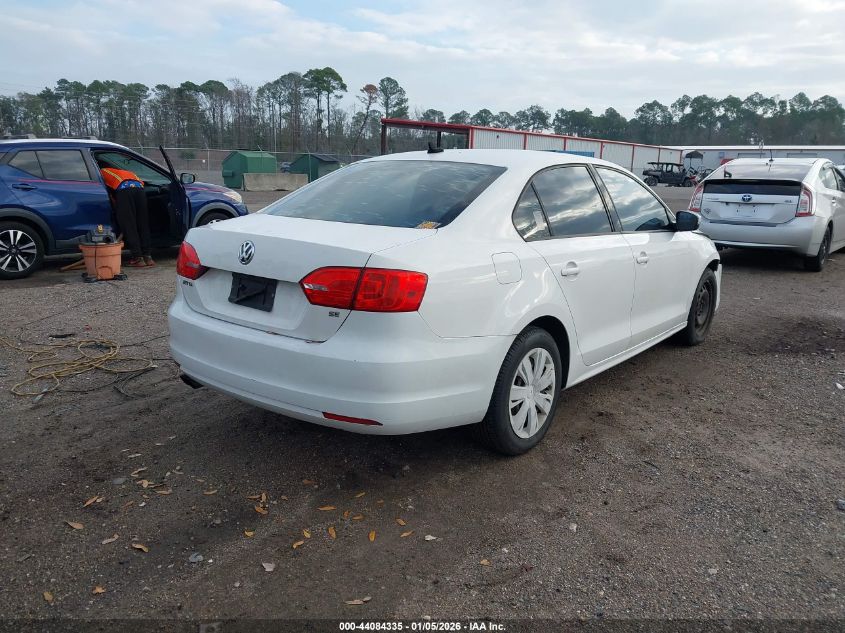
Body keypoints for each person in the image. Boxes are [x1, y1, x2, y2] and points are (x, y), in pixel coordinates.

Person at [99, 165, 154, 267]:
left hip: (124, 190)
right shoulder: (127, 172)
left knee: (129, 224)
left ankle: (137, 258)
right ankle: (148, 257)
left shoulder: (101, 172)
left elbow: (109, 194)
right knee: (142, 223)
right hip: (140, 190)